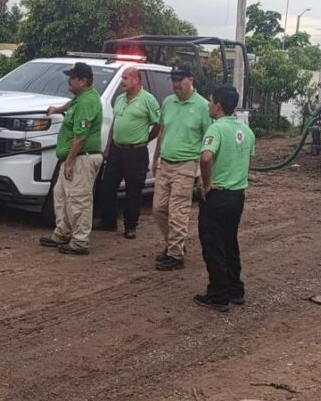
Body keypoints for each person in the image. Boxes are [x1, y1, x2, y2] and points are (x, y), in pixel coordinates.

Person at [194, 85, 256, 312]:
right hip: (237, 195)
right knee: (230, 242)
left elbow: (206, 157)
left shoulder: (216, 129)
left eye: (210, 101)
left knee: (213, 245)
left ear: (218, 105)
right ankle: (235, 289)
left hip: (217, 195)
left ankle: (218, 294)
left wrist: (207, 183)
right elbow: (249, 160)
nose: (208, 105)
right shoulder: (246, 131)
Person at [40, 62, 104, 255]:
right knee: (61, 195)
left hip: (81, 158)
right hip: (74, 158)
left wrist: (68, 162)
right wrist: (58, 109)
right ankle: (63, 232)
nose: (69, 80)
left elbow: (80, 137)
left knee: (79, 200)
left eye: (72, 77)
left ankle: (80, 241)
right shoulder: (81, 98)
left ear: (82, 80)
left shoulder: (87, 102)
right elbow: (71, 105)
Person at [152, 64, 211, 271]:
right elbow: (162, 132)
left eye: (180, 80)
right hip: (165, 163)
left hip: (186, 165)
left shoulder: (203, 106)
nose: (176, 85)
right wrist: (156, 158)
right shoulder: (168, 102)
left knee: (178, 211)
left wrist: (204, 175)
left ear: (191, 80)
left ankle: (175, 255)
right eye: (174, 81)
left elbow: (208, 140)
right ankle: (174, 245)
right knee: (158, 209)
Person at [95, 67, 161, 239]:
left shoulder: (148, 100)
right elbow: (115, 124)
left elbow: (159, 124)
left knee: (133, 190)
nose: (122, 81)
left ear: (137, 80)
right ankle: (108, 221)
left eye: (126, 78)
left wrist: (145, 139)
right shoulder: (119, 99)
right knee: (107, 185)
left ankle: (130, 226)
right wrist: (108, 147)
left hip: (136, 152)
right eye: (122, 78)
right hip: (117, 150)